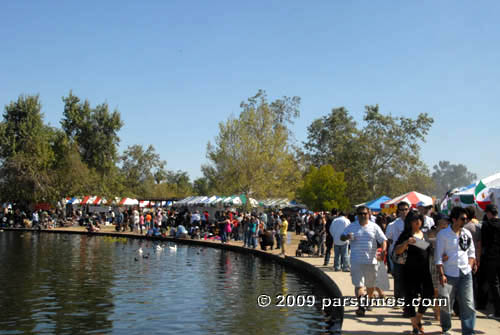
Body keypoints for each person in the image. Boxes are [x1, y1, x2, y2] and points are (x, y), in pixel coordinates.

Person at [435, 206, 476, 335]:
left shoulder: (467, 234)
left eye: (467, 219)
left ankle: (468, 331)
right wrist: (441, 274)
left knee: (468, 303)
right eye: (463, 218)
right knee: (446, 303)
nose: (465, 221)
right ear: (454, 219)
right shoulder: (443, 234)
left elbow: (472, 253)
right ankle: (446, 329)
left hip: (465, 273)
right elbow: (438, 256)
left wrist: (469, 267)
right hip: (448, 273)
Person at [341, 205, 387, 316]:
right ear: (357, 215)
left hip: (371, 261)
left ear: (369, 214)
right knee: (359, 285)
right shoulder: (351, 226)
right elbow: (341, 237)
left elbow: (383, 240)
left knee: (370, 285)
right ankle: (361, 305)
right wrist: (346, 237)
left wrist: (383, 251)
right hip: (356, 260)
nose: (363, 215)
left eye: (365, 213)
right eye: (360, 214)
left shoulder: (374, 227)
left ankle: (369, 301)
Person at [395, 211, 434, 334]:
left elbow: (429, 250)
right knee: (410, 298)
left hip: (425, 270)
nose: (417, 222)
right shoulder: (406, 234)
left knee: (429, 294)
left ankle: (417, 319)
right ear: (409, 222)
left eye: (419, 219)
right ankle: (415, 326)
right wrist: (406, 242)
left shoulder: (425, 234)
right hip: (409, 271)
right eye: (414, 220)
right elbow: (397, 251)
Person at [385, 201, 410, 309]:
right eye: (401, 209)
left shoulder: (414, 222)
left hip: (411, 255)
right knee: (398, 278)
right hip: (398, 254)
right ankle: (398, 300)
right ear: (398, 211)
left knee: (409, 279)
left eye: (406, 209)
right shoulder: (393, 224)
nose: (404, 212)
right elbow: (388, 239)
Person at [481, 204, 500, 319]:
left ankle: (498, 311)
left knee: (494, 285)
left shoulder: (486, 225)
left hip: (491, 258)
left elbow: (483, 242)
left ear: (489, 213)